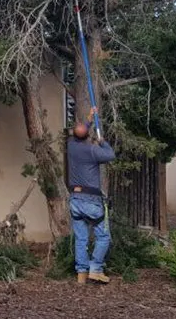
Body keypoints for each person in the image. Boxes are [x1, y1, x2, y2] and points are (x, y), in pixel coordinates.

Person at [66, 105, 116, 285]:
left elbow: (78, 132)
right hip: (91, 201)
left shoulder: (71, 147)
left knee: (81, 238)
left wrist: (89, 118)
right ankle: (95, 269)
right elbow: (110, 156)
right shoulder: (93, 150)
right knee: (103, 236)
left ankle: (81, 273)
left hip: (75, 200)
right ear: (89, 135)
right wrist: (102, 141)